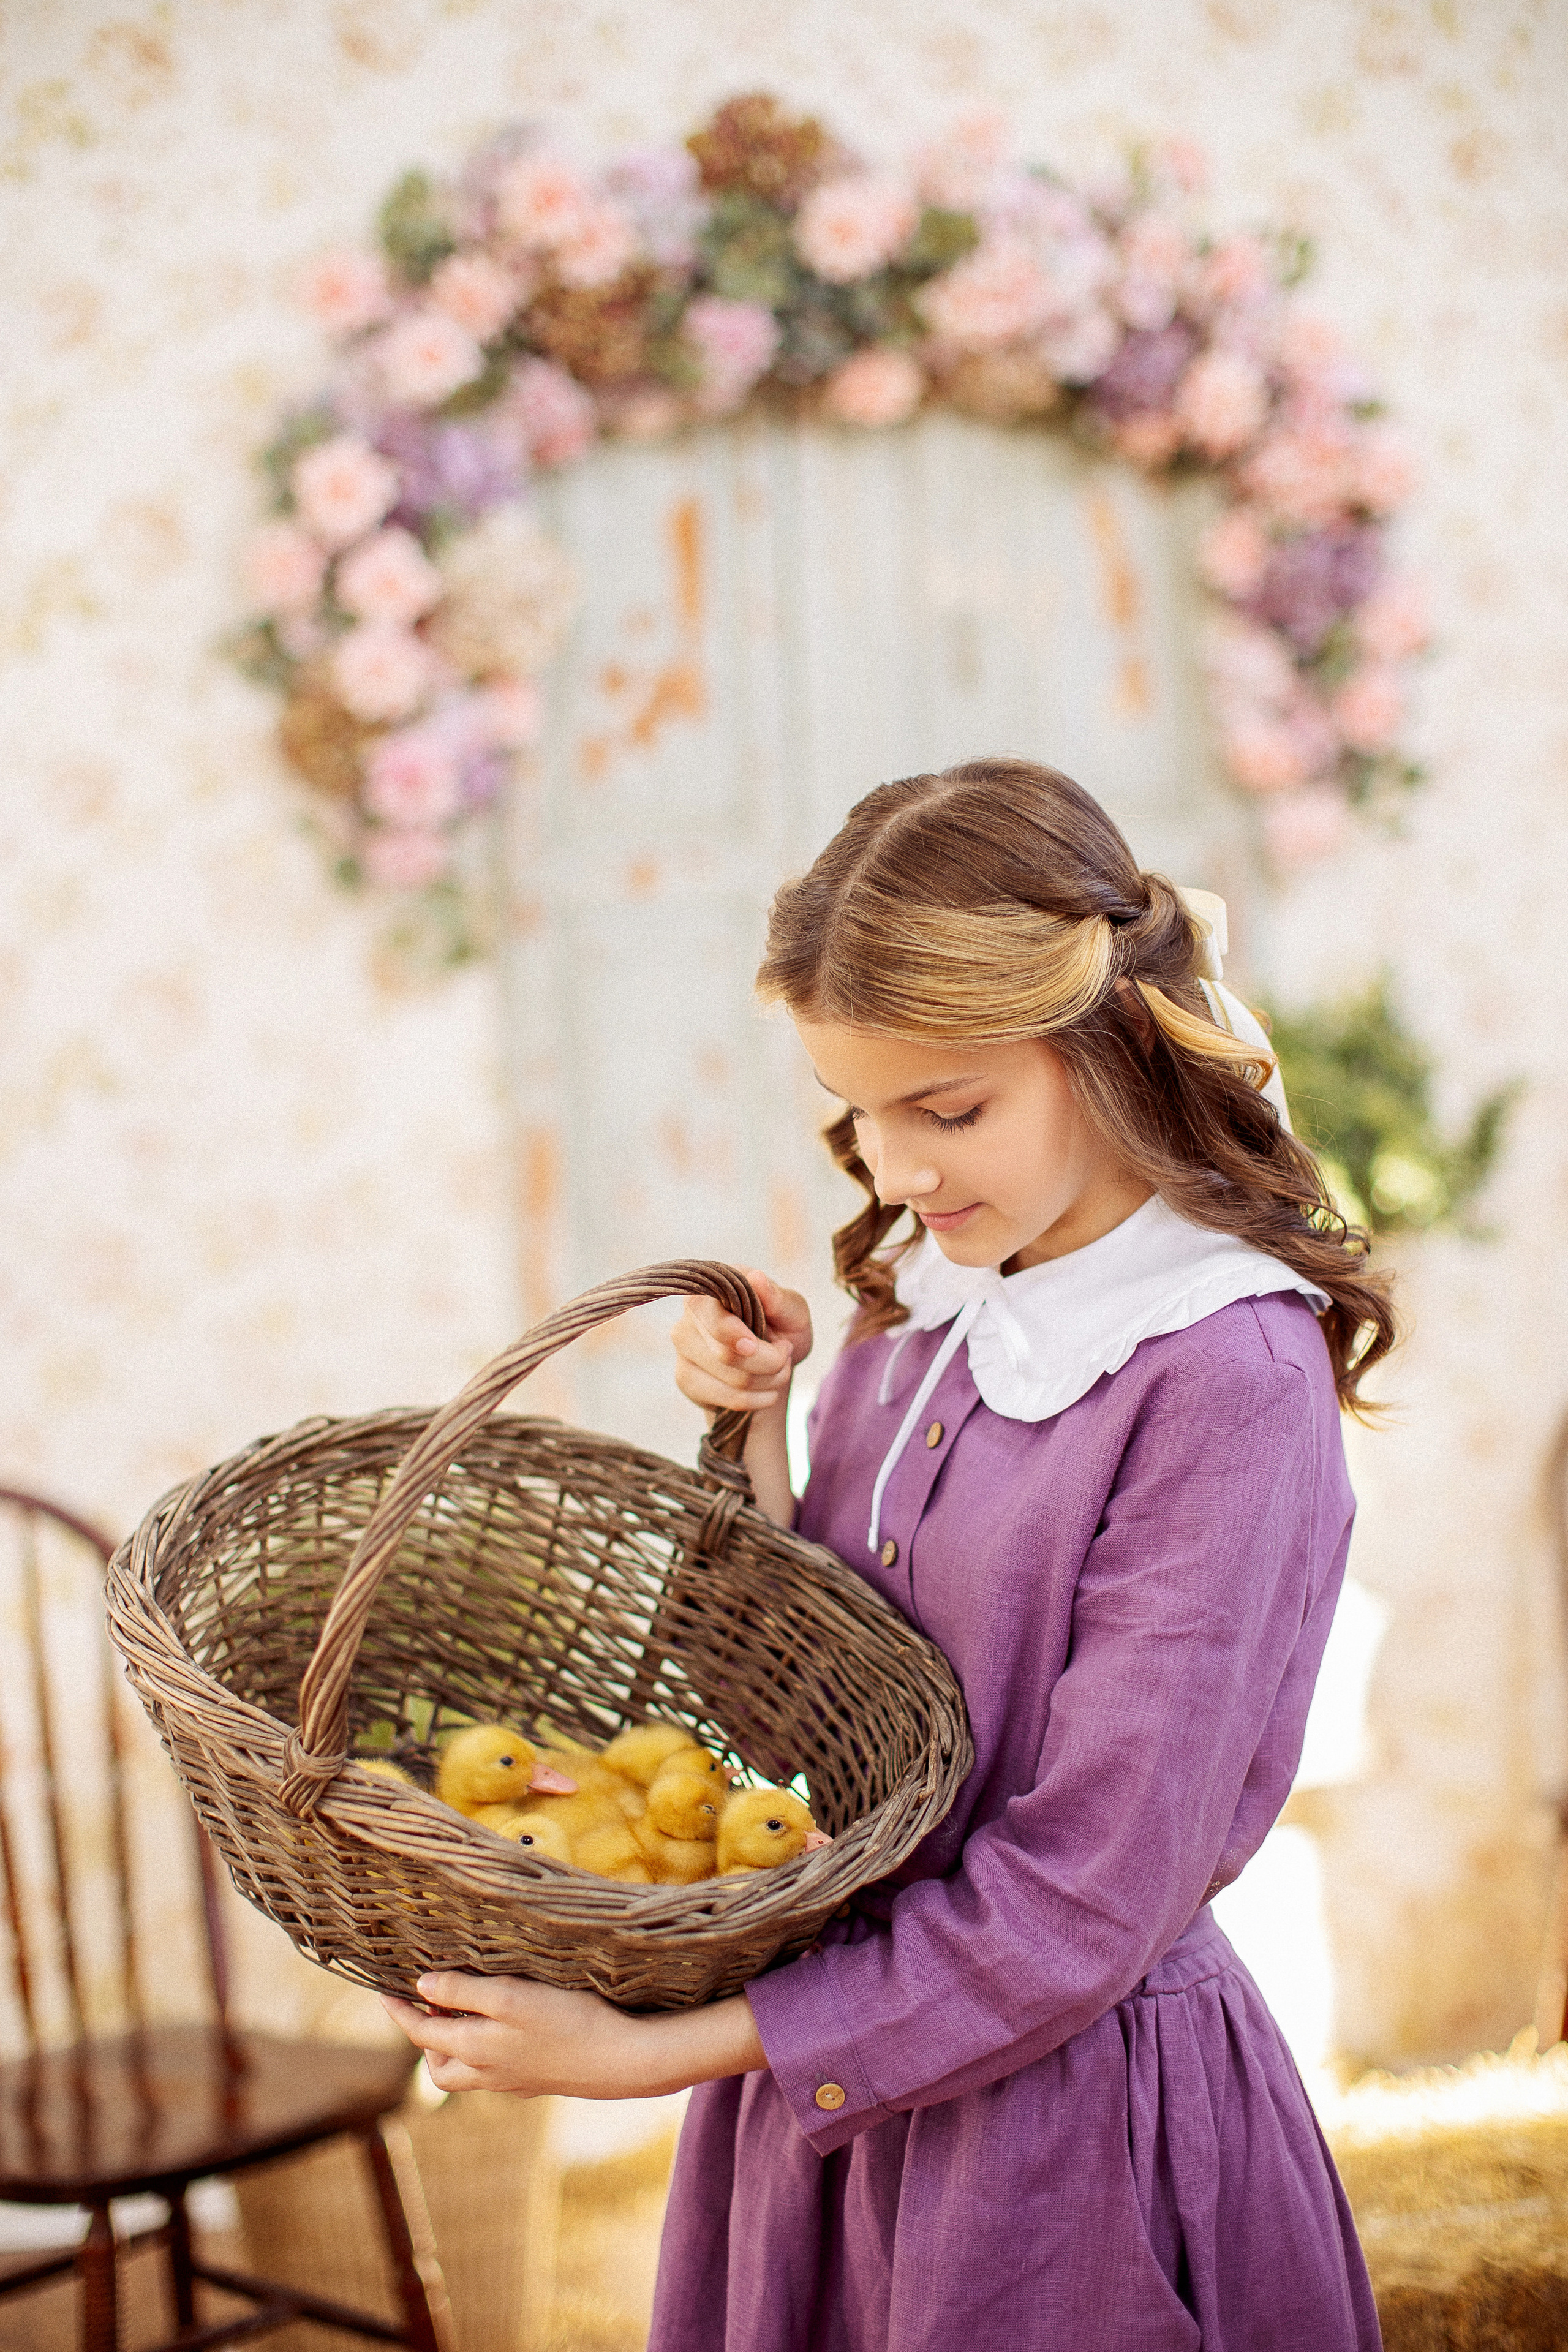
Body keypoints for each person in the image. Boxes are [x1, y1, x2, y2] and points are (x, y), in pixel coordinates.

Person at [385, 757, 1392, 2351]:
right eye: (861, 1113)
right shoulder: (919, 1300)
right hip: (821, 2101)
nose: (902, 1172)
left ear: (1117, 1046)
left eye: (952, 1107)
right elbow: (819, 1728)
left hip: (1062, 2133)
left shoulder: (1228, 1378)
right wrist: (760, 1433)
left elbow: (1084, 1894)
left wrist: (653, 2053)